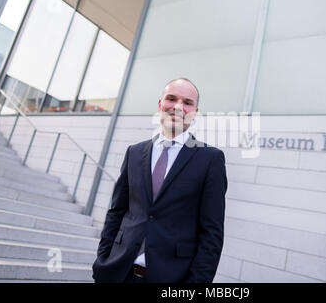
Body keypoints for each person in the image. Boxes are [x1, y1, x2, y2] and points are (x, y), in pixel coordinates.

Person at [92, 78, 227, 283]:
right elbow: (116, 212)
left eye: (187, 102)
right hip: (118, 274)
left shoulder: (210, 159)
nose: (178, 107)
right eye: (171, 99)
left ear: (195, 112)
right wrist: (102, 261)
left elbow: (212, 233)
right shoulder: (135, 152)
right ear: (160, 104)